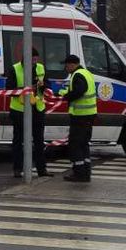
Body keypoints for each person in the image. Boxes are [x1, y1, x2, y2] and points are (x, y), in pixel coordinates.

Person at [9, 47, 49, 178]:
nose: (35, 62)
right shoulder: (15, 69)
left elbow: (48, 86)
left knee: (39, 141)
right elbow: (9, 89)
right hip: (20, 110)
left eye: (36, 59)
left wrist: (42, 86)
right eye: (32, 59)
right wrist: (26, 89)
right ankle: (17, 169)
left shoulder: (40, 68)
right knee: (18, 141)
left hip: (37, 108)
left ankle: (41, 170)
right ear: (25, 58)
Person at [56, 54, 96, 182]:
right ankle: (86, 172)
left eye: (67, 65)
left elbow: (80, 90)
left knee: (75, 145)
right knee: (84, 144)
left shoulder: (77, 75)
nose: (66, 68)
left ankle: (79, 173)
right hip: (88, 115)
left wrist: (67, 97)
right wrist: (62, 94)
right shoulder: (86, 73)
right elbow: (76, 89)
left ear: (72, 64)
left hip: (80, 116)